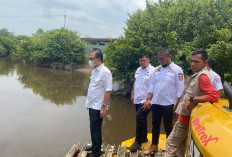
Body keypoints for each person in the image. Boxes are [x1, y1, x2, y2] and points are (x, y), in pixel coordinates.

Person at [164, 49, 219, 157]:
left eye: (196, 62)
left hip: (186, 119)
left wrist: (192, 98)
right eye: (191, 61)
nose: (192, 64)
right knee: (181, 145)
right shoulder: (197, 74)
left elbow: (214, 96)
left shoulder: (202, 76)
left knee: (170, 143)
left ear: (205, 62)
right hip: (186, 118)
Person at [143, 48, 185, 155]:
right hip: (156, 102)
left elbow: (180, 89)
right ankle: (154, 145)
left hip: (169, 103)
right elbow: (152, 85)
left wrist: (178, 104)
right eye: (159, 59)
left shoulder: (177, 70)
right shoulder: (156, 69)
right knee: (155, 125)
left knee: (168, 126)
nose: (160, 61)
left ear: (169, 57)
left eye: (162, 59)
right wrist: (149, 99)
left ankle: (170, 148)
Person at [85, 49, 112, 157]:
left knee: (96, 128)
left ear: (99, 59)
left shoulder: (105, 72)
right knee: (92, 127)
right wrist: (88, 103)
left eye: (92, 58)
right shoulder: (94, 71)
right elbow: (93, 88)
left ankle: (96, 153)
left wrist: (103, 107)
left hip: (98, 106)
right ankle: (94, 146)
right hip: (92, 105)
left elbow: (108, 90)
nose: (90, 60)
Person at [129, 53, 155, 152]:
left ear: (148, 60)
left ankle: (138, 141)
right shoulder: (138, 70)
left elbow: (155, 86)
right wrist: (132, 93)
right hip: (137, 98)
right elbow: (135, 82)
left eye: (144, 60)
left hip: (146, 100)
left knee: (139, 117)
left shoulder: (153, 71)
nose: (142, 62)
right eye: (140, 61)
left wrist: (149, 100)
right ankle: (144, 138)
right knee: (141, 119)